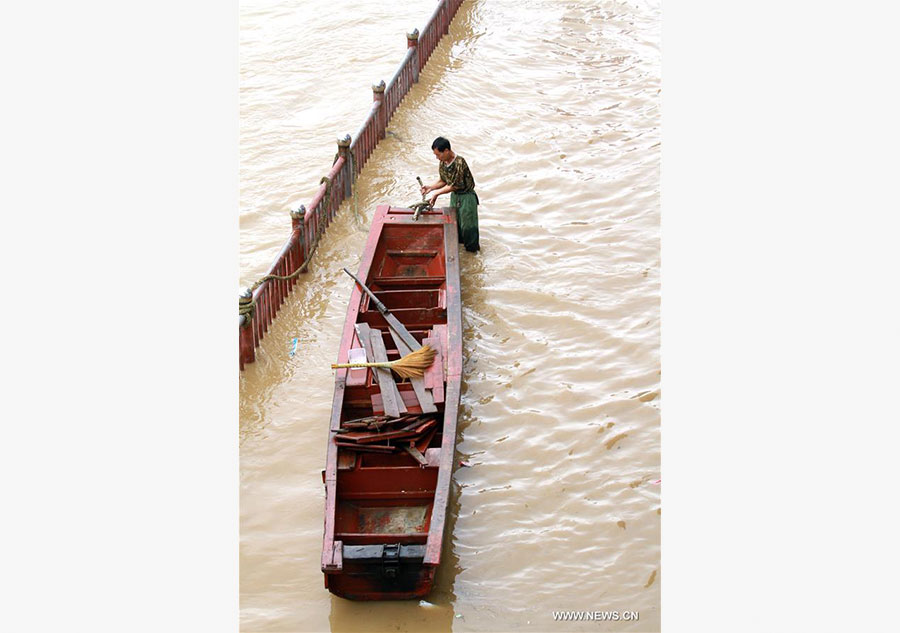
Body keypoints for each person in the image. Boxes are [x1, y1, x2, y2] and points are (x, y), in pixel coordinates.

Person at [420, 137, 480, 252]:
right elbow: (443, 181)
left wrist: (436, 194)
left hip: (467, 197)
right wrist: (431, 188)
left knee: (468, 228)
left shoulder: (459, 163)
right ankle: (461, 253)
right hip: (455, 196)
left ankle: (473, 253)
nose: (437, 158)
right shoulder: (443, 162)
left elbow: (455, 185)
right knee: (455, 226)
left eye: (438, 155)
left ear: (446, 151)